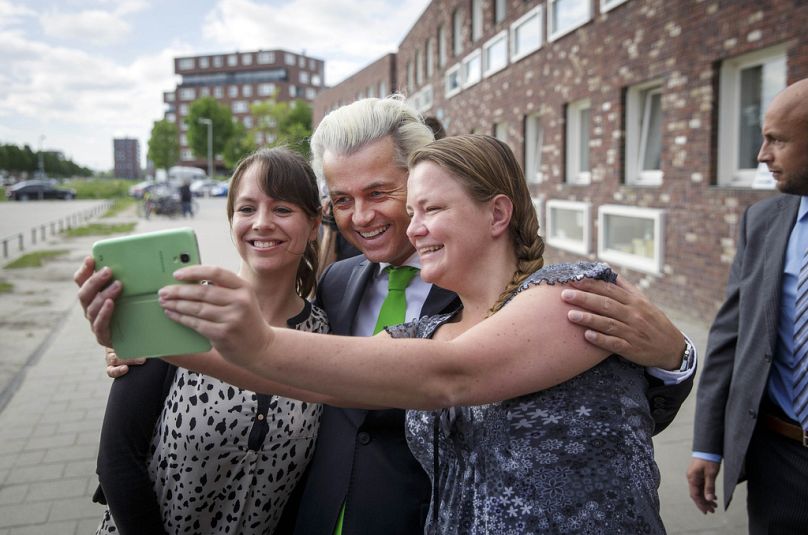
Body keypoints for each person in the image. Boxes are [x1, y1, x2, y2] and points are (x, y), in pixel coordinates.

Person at [82, 97, 694, 534]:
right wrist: (152, 339)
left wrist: (677, 357)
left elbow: (456, 377)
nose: (365, 218)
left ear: (493, 210)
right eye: (342, 200)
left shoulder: (562, 293)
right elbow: (313, 374)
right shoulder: (360, 293)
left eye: (387, 195)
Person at [86, 147, 330, 534]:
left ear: (314, 224)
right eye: (247, 209)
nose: (262, 223)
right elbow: (117, 459)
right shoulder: (182, 309)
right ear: (232, 220)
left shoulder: (325, 334)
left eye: (282, 209)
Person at [687, 78, 808, 532]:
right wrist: (707, 444)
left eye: (777, 140)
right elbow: (730, 336)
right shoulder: (761, 221)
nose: (761, 155)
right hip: (780, 462)